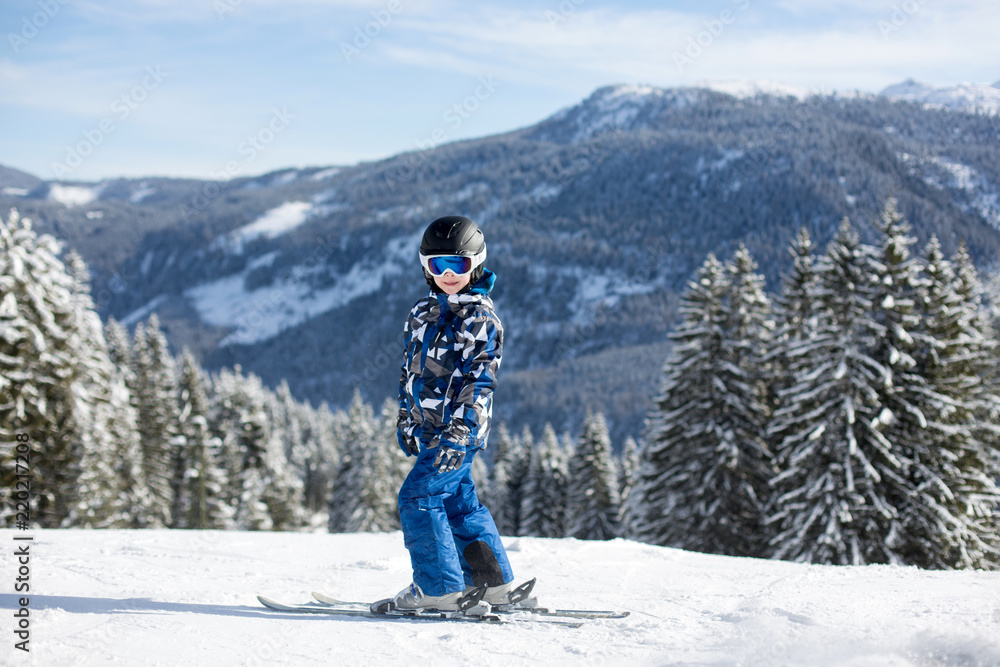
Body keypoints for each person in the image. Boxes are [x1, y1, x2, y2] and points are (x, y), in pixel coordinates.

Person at [392, 215, 515, 611]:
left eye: (457, 265)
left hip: (457, 434)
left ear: (476, 263)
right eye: (437, 265)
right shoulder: (422, 312)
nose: (447, 274)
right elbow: (411, 371)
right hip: (431, 432)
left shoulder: (479, 318)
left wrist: (461, 431)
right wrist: (408, 418)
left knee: (418, 498)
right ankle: (492, 583)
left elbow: (480, 382)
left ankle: (438, 589)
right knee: (459, 504)